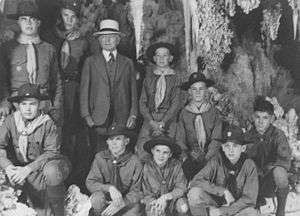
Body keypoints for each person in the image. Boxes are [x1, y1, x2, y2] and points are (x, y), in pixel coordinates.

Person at [0, 83, 71, 215]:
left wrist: (27, 170)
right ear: (18, 106)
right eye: (24, 104)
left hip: (44, 165)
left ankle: (59, 209)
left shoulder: (47, 122)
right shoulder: (11, 120)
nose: (28, 109)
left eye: (32, 104)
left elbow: (52, 153)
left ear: (39, 105)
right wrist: (9, 167)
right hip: (21, 168)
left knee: (52, 173)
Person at [44, 0, 90, 186]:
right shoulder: (50, 38)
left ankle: (74, 178)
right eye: (65, 15)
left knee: (74, 133)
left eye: (73, 16)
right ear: (60, 16)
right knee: (54, 131)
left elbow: (88, 69)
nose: (69, 20)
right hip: (54, 88)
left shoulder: (83, 41)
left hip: (74, 90)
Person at [80, 19, 138, 153]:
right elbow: (84, 91)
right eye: (103, 37)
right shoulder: (90, 62)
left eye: (111, 37)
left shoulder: (127, 62)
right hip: (98, 117)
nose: (107, 40)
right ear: (99, 40)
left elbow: (133, 92)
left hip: (122, 116)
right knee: (100, 152)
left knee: (121, 150)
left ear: (118, 40)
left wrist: (133, 114)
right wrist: (86, 115)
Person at [0, 1, 62, 125]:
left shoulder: (49, 49)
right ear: (18, 22)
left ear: (39, 23)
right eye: (24, 19)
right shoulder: (7, 48)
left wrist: (56, 107)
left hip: (43, 106)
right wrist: (5, 101)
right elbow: (3, 80)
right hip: (15, 105)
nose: (28, 23)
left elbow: (57, 82)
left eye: (33, 19)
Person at [188, 124, 259, 216]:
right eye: (227, 146)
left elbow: (249, 199)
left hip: (237, 209)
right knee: (194, 193)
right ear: (223, 147)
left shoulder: (249, 165)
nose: (231, 150)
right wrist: (223, 191)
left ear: (243, 148)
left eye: (235, 146)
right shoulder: (216, 161)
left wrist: (223, 211)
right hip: (216, 204)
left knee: (252, 214)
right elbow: (196, 180)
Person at [244, 96, 292, 216]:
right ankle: (250, 208)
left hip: (270, 180)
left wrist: (267, 169)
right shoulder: (247, 137)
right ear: (253, 117)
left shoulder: (278, 135)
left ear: (271, 119)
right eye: (257, 117)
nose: (261, 121)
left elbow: (284, 159)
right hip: (252, 182)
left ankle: (280, 211)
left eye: (265, 118)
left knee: (280, 172)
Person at [136, 42, 181, 162]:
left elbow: (175, 104)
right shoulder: (148, 78)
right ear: (154, 58)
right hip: (150, 118)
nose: (161, 59)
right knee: (142, 149)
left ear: (170, 58)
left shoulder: (176, 78)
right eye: (158, 56)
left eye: (165, 56)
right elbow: (142, 102)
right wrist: (151, 122)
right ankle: (148, 177)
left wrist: (162, 123)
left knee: (167, 148)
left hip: (168, 119)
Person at [86, 126, 143, 216]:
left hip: (126, 202)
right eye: (111, 139)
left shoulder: (135, 161)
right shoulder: (100, 157)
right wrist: (109, 188)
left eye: (118, 139)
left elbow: (138, 190)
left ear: (126, 141)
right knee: (97, 199)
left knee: (133, 211)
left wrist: (122, 203)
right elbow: (91, 182)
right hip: (106, 199)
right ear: (107, 142)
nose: (114, 143)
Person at [175, 72, 222, 180]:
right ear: (189, 91)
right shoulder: (184, 113)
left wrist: (206, 157)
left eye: (201, 89)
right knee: (184, 170)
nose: (197, 92)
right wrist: (186, 156)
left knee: (213, 167)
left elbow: (216, 139)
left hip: (209, 154)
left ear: (206, 91)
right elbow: (180, 139)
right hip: (191, 154)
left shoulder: (214, 112)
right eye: (194, 89)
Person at [142, 134, 189, 216]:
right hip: (155, 201)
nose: (161, 155)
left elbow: (181, 187)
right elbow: (147, 192)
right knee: (155, 212)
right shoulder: (147, 167)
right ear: (152, 151)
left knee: (183, 207)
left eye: (165, 152)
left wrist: (166, 197)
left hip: (173, 201)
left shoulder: (176, 165)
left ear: (170, 154)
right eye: (158, 151)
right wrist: (155, 203)